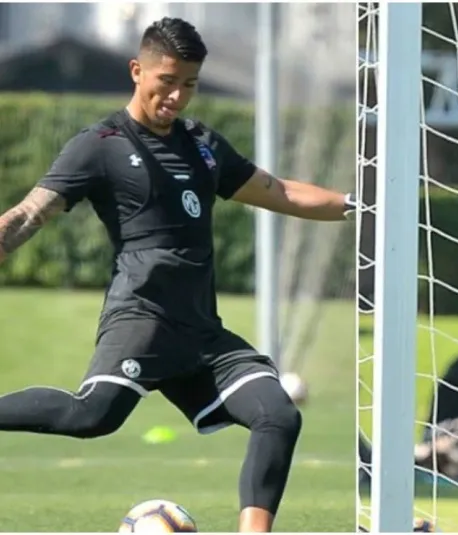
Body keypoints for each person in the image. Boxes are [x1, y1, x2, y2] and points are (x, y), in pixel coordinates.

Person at [0, 18, 356, 533]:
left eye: (189, 83)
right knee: (93, 416)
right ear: (136, 70)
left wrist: (360, 205)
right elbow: (27, 215)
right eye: (166, 81)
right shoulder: (100, 143)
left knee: (278, 414)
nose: (177, 96)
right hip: (142, 319)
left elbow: (278, 191)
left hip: (201, 332)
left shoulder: (202, 144)